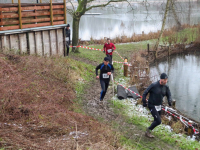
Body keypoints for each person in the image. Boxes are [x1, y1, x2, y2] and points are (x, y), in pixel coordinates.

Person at [142, 73, 172, 138]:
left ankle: (149, 130)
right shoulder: (154, 85)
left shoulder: (166, 87)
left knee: (157, 120)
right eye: (165, 80)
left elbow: (169, 94)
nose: (166, 81)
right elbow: (145, 93)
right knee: (158, 121)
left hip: (159, 106)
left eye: (166, 80)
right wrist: (144, 101)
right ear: (161, 79)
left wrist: (169, 101)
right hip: (152, 105)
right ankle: (148, 131)